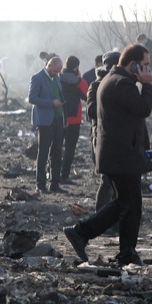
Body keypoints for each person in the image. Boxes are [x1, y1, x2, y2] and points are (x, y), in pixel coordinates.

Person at [64, 44, 152, 266]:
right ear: (132, 64)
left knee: (126, 203)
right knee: (129, 204)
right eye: (144, 65)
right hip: (122, 155)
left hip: (120, 153)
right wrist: (148, 85)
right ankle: (85, 233)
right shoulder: (121, 83)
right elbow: (143, 109)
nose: (147, 70)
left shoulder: (115, 80)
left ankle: (116, 248)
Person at [86, 51, 121, 213]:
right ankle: (100, 217)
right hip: (102, 137)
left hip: (118, 137)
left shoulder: (120, 83)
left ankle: (111, 217)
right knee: (107, 180)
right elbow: (91, 111)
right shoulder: (96, 85)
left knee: (117, 181)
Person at [28, 55, 66, 193]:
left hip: (58, 118)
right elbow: (32, 98)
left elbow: (59, 95)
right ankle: (40, 184)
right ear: (49, 66)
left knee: (57, 152)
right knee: (43, 152)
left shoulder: (56, 78)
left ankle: (54, 184)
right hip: (44, 120)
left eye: (59, 71)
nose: (57, 74)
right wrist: (51, 103)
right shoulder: (37, 77)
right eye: (55, 71)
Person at [59, 55, 88, 183]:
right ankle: (64, 175)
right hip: (74, 120)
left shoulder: (57, 78)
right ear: (76, 67)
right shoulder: (80, 82)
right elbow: (87, 96)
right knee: (70, 148)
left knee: (55, 147)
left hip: (58, 118)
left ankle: (52, 174)